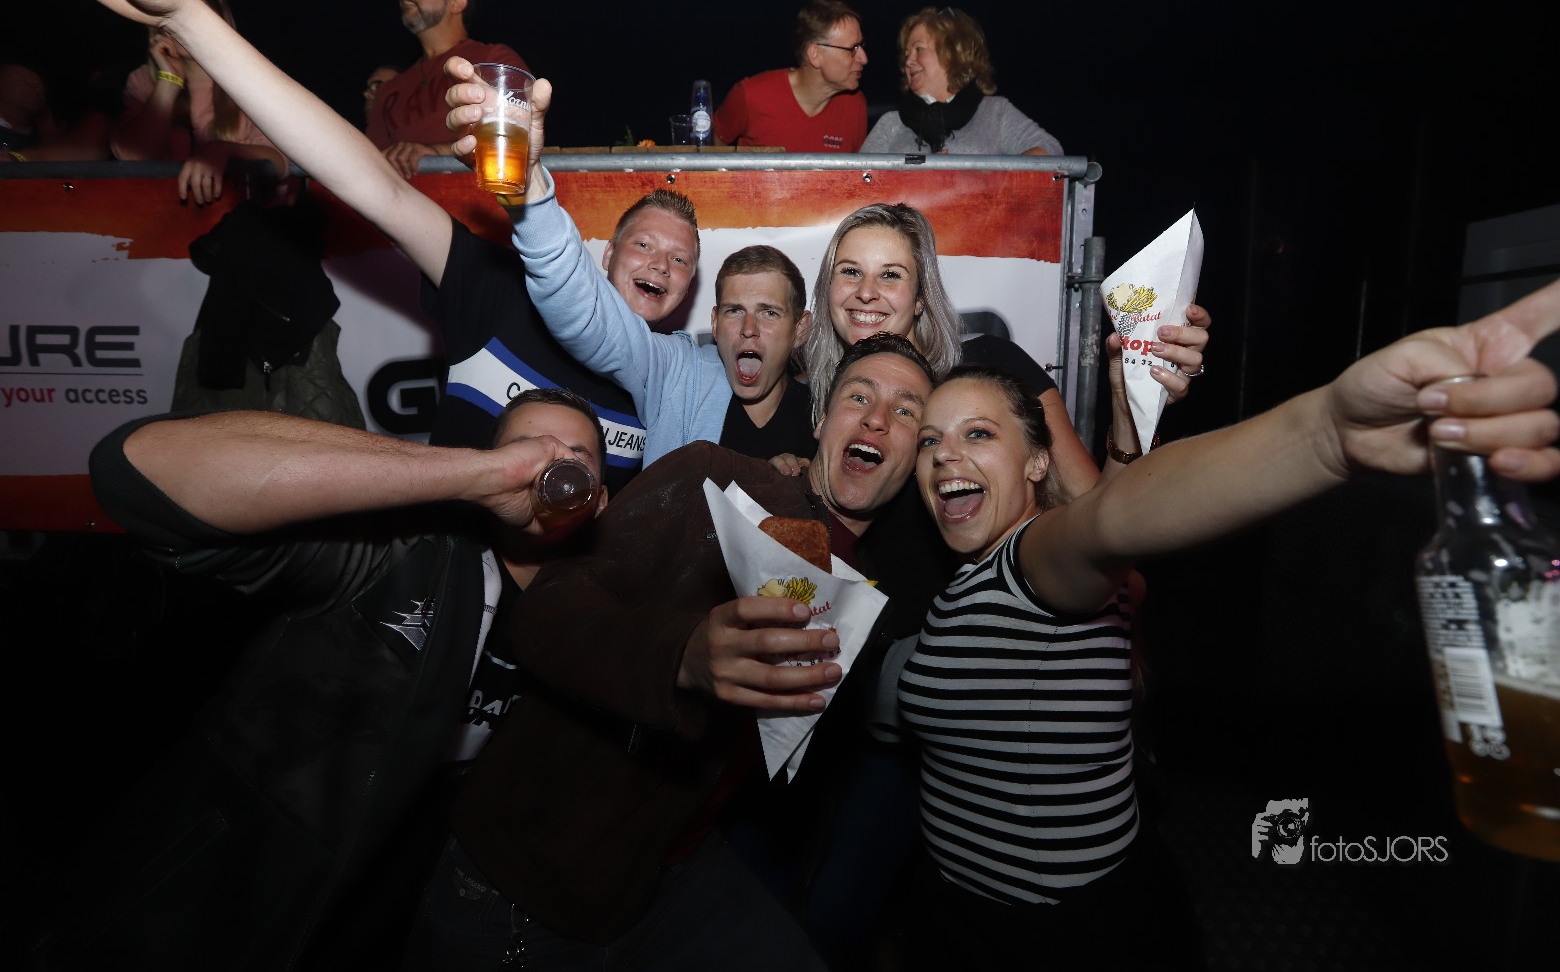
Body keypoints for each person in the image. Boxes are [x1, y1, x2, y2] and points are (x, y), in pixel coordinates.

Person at [891, 275, 1560, 967]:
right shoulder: (977, 575)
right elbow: (1109, 524)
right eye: (930, 441)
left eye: (978, 433)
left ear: (1038, 460)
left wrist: (1327, 434)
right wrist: (1128, 413)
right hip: (969, 911)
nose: (946, 455)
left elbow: (1111, 521)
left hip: (1061, 935)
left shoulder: (1031, 560)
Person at [0, 0, 668, 488]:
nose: (662, 265)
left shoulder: (676, 376)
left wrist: (448, 154)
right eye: (643, 245)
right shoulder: (494, 294)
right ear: (604, 253)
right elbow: (362, 177)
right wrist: (182, 15)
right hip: (428, 270)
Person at [12, 386, 611, 968]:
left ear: (601, 499)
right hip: (221, 894)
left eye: (574, 458)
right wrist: (479, 474)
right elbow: (135, 468)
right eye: (527, 447)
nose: (548, 464)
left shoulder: (599, 630)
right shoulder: (403, 555)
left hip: (395, 904)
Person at [405, 334, 940, 969]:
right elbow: (549, 607)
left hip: (670, 874)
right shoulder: (713, 478)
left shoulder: (873, 595)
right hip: (524, 880)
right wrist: (680, 656)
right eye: (859, 397)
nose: (877, 420)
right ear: (822, 420)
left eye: (905, 411)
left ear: (918, 453)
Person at [442, 61, 816, 462]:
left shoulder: (828, 412)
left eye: (770, 312)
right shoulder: (677, 371)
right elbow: (589, 314)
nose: (749, 328)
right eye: (734, 310)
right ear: (714, 321)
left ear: (801, 329)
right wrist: (528, 189)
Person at [802, 200, 1209, 501]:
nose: (866, 292)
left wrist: (1133, 405)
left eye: (890, 275)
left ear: (921, 298)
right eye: (850, 271)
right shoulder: (804, 394)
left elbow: (1091, 509)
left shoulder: (994, 364)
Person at [110, 0, 287, 204]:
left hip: (245, 216)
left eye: (189, 9)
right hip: (163, 218)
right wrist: (169, 82)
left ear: (217, 17)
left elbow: (280, 161)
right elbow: (134, 159)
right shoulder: (142, 81)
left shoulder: (252, 76)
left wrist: (223, 150)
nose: (178, 23)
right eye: (166, 10)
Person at [366, 0, 526, 180]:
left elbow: (518, 134)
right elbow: (367, 165)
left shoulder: (494, 60)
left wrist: (436, 155)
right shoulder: (389, 91)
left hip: (476, 198)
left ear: (455, 3)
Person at [861, 6, 1063, 156]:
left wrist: (983, 182)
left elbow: (1050, 151)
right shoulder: (891, 124)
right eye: (907, 54)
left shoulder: (995, 113)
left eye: (919, 49)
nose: (908, 61)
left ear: (952, 53)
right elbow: (855, 184)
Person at [713, 0, 869, 153]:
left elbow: (859, 167)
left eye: (861, 45)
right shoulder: (751, 96)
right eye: (852, 49)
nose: (864, 58)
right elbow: (714, 146)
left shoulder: (854, 106)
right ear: (815, 55)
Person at [0, 58, 111, 161]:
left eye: (40, 86)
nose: (35, 87)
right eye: (22, 79)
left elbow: (88, 152)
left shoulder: (44, 138)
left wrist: (17, 158)